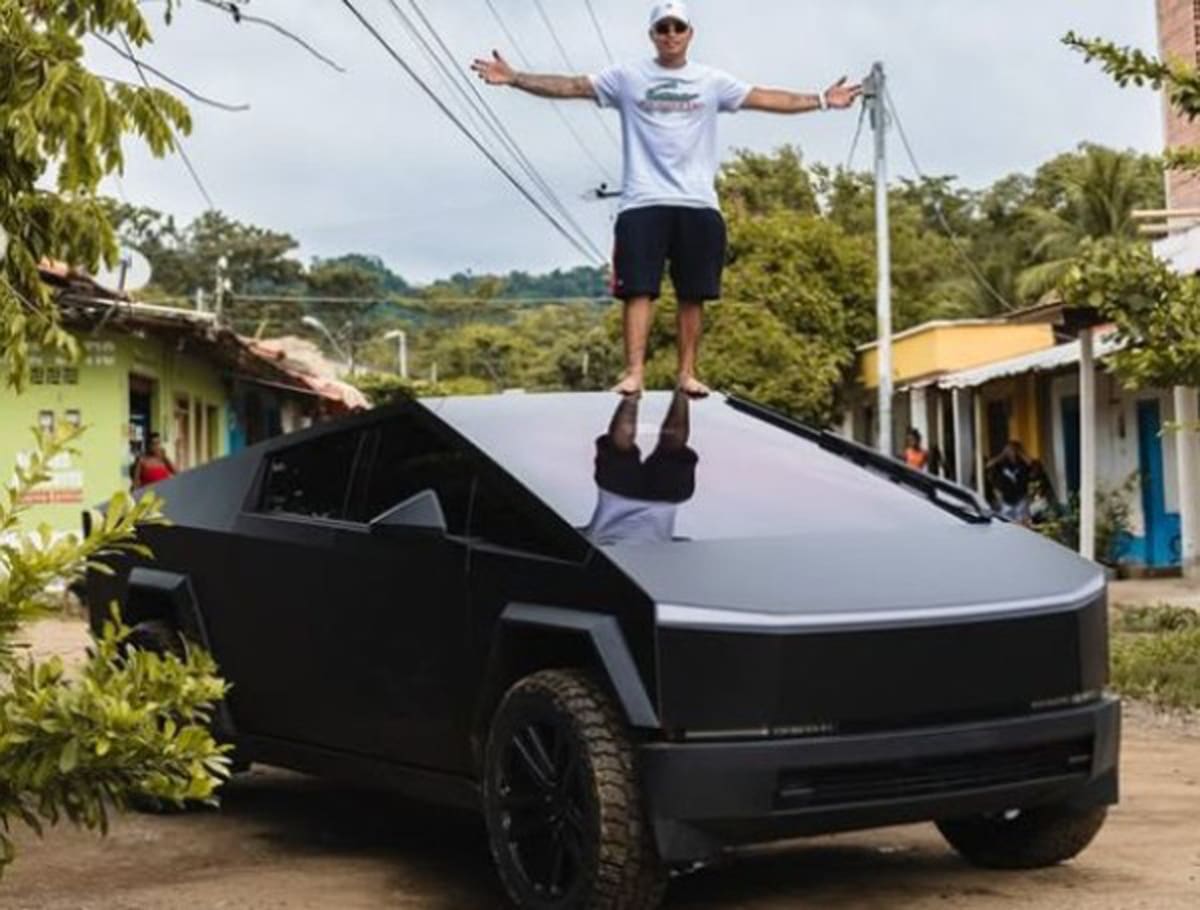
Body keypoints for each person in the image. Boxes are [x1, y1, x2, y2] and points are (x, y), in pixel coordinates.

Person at [473, 2, 862, 398]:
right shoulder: (627, 77)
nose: (671, 34)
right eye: (663, 28)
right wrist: (516, 78)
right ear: (652, 35)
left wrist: (823, 99)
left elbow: (764, 98)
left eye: (678, 27)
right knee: (637, 290)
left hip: (697, 203)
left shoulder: (711, 81)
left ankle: (686, 373)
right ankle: (634, 373)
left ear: (690, 34)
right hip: (643, 201)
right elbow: (573, 86)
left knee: (693, 293)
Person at [585, 391, 698, 545]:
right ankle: (631, 395)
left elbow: (684, 543)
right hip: (617, 495)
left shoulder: (656, 562)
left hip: (665, 502)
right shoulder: (599, 558)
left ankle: (682, 394)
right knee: (620, 449)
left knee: (672, 449)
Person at [987, 440, 1032, 524]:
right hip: (1005, 498)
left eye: (1013, 450)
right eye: (1010, 450)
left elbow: (1030, 463)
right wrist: (1003, 454)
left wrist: (1019, 452)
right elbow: (989, 465)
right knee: (1006, 522)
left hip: (1021, 496)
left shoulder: (1022, 462)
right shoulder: (1002, 463)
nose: (1012, 452)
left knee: (1023, 522)